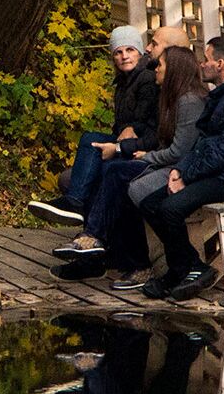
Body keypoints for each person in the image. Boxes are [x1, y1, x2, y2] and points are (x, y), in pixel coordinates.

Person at [48, 45, 209, 290]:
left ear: (174, 70)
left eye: (160, 65)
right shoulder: (166, 95)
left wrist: (143, 156)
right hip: (161, 160)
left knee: (119, 176)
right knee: (107, 170)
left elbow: (179, 152)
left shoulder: (188, 101)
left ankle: (99, 242)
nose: (155, 68)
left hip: (180, 170)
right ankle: (97, 249)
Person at [136, 35, 224, 301]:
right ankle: (191, 268)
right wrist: (180, 170)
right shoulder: (222, 94)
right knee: (150, 203)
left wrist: (187, 176)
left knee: (170, 208)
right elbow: (202, 140)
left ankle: (183, 270)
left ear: (220, 64)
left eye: (206, 59)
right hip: (216, 172)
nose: (201, 64)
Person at [27, 26, 157, 225]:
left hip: (140, 145)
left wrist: (130, 130)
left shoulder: (146, 79)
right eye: (118, 52)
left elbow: (144, 118)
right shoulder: (123, 82)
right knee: (88, 142)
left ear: (139, 52)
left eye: (130, 50)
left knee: (95, 154)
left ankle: (79, 210)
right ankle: (78, 210)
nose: (124, 56)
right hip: (125, 141)